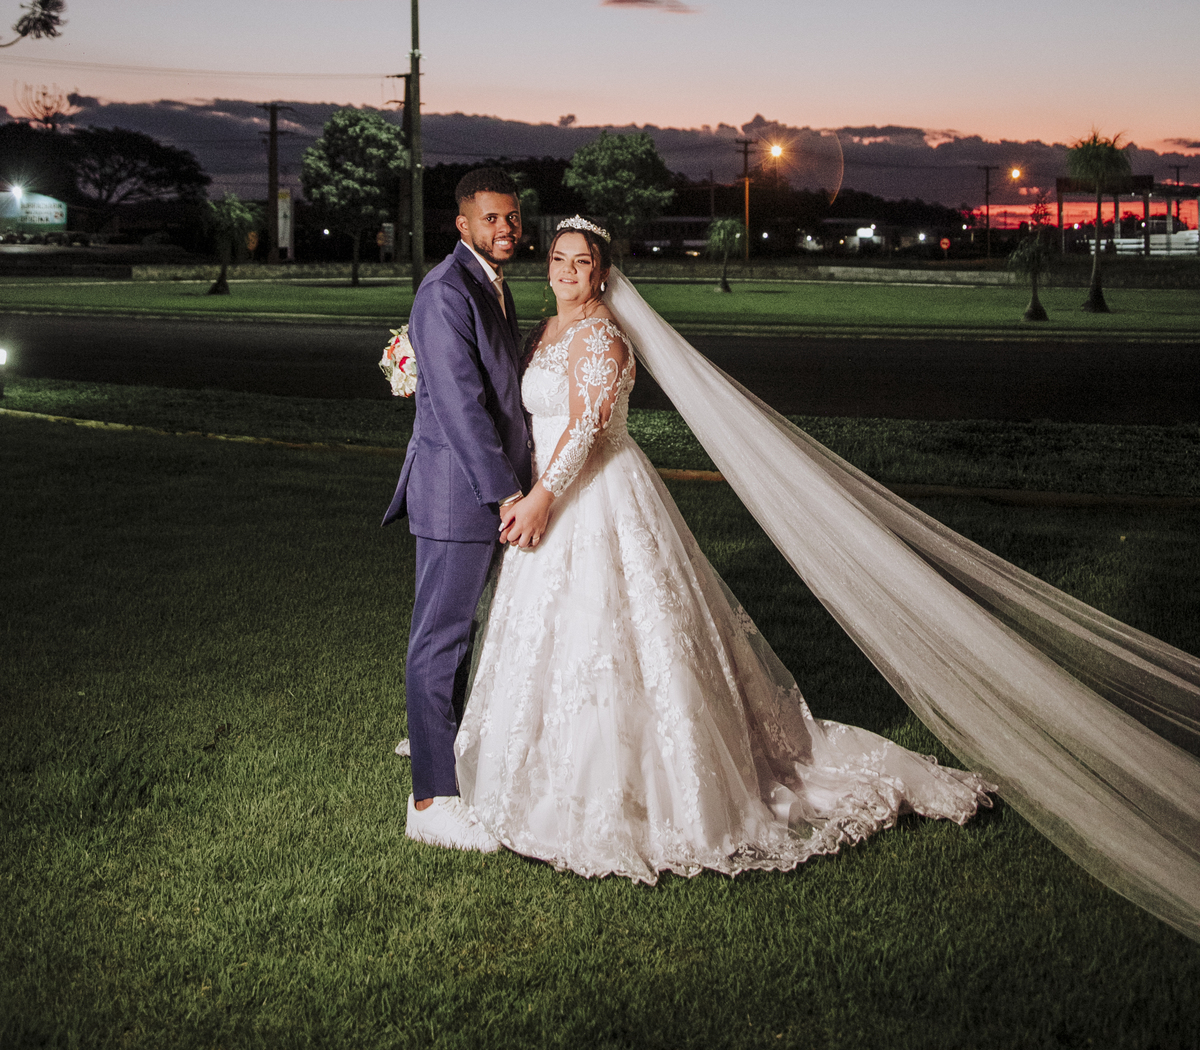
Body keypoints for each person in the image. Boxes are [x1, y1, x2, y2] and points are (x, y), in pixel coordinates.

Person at [453, 218, 993, 881]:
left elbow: (587, 431)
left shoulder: (600, 336)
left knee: (612, 634)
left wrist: (541, 499)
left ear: (603, 272)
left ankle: (638, 794)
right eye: (559, 258)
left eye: (582, 261)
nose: (566, 270)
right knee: (550, 636)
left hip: (592, 496)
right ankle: (536, 773)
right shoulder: (546, 331)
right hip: (549, 492)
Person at [382, 167, 531, 852]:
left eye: (512, 217)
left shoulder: (488, 282)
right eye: (491, 218)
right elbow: (464, 409)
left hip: (478, 488)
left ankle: (438, 740)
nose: (505, 228)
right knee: (440, 637)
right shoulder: (446, 290)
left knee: (459, 633)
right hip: (458, 492)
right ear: (462, 224)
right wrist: (508, 492)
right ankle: (431, 802)